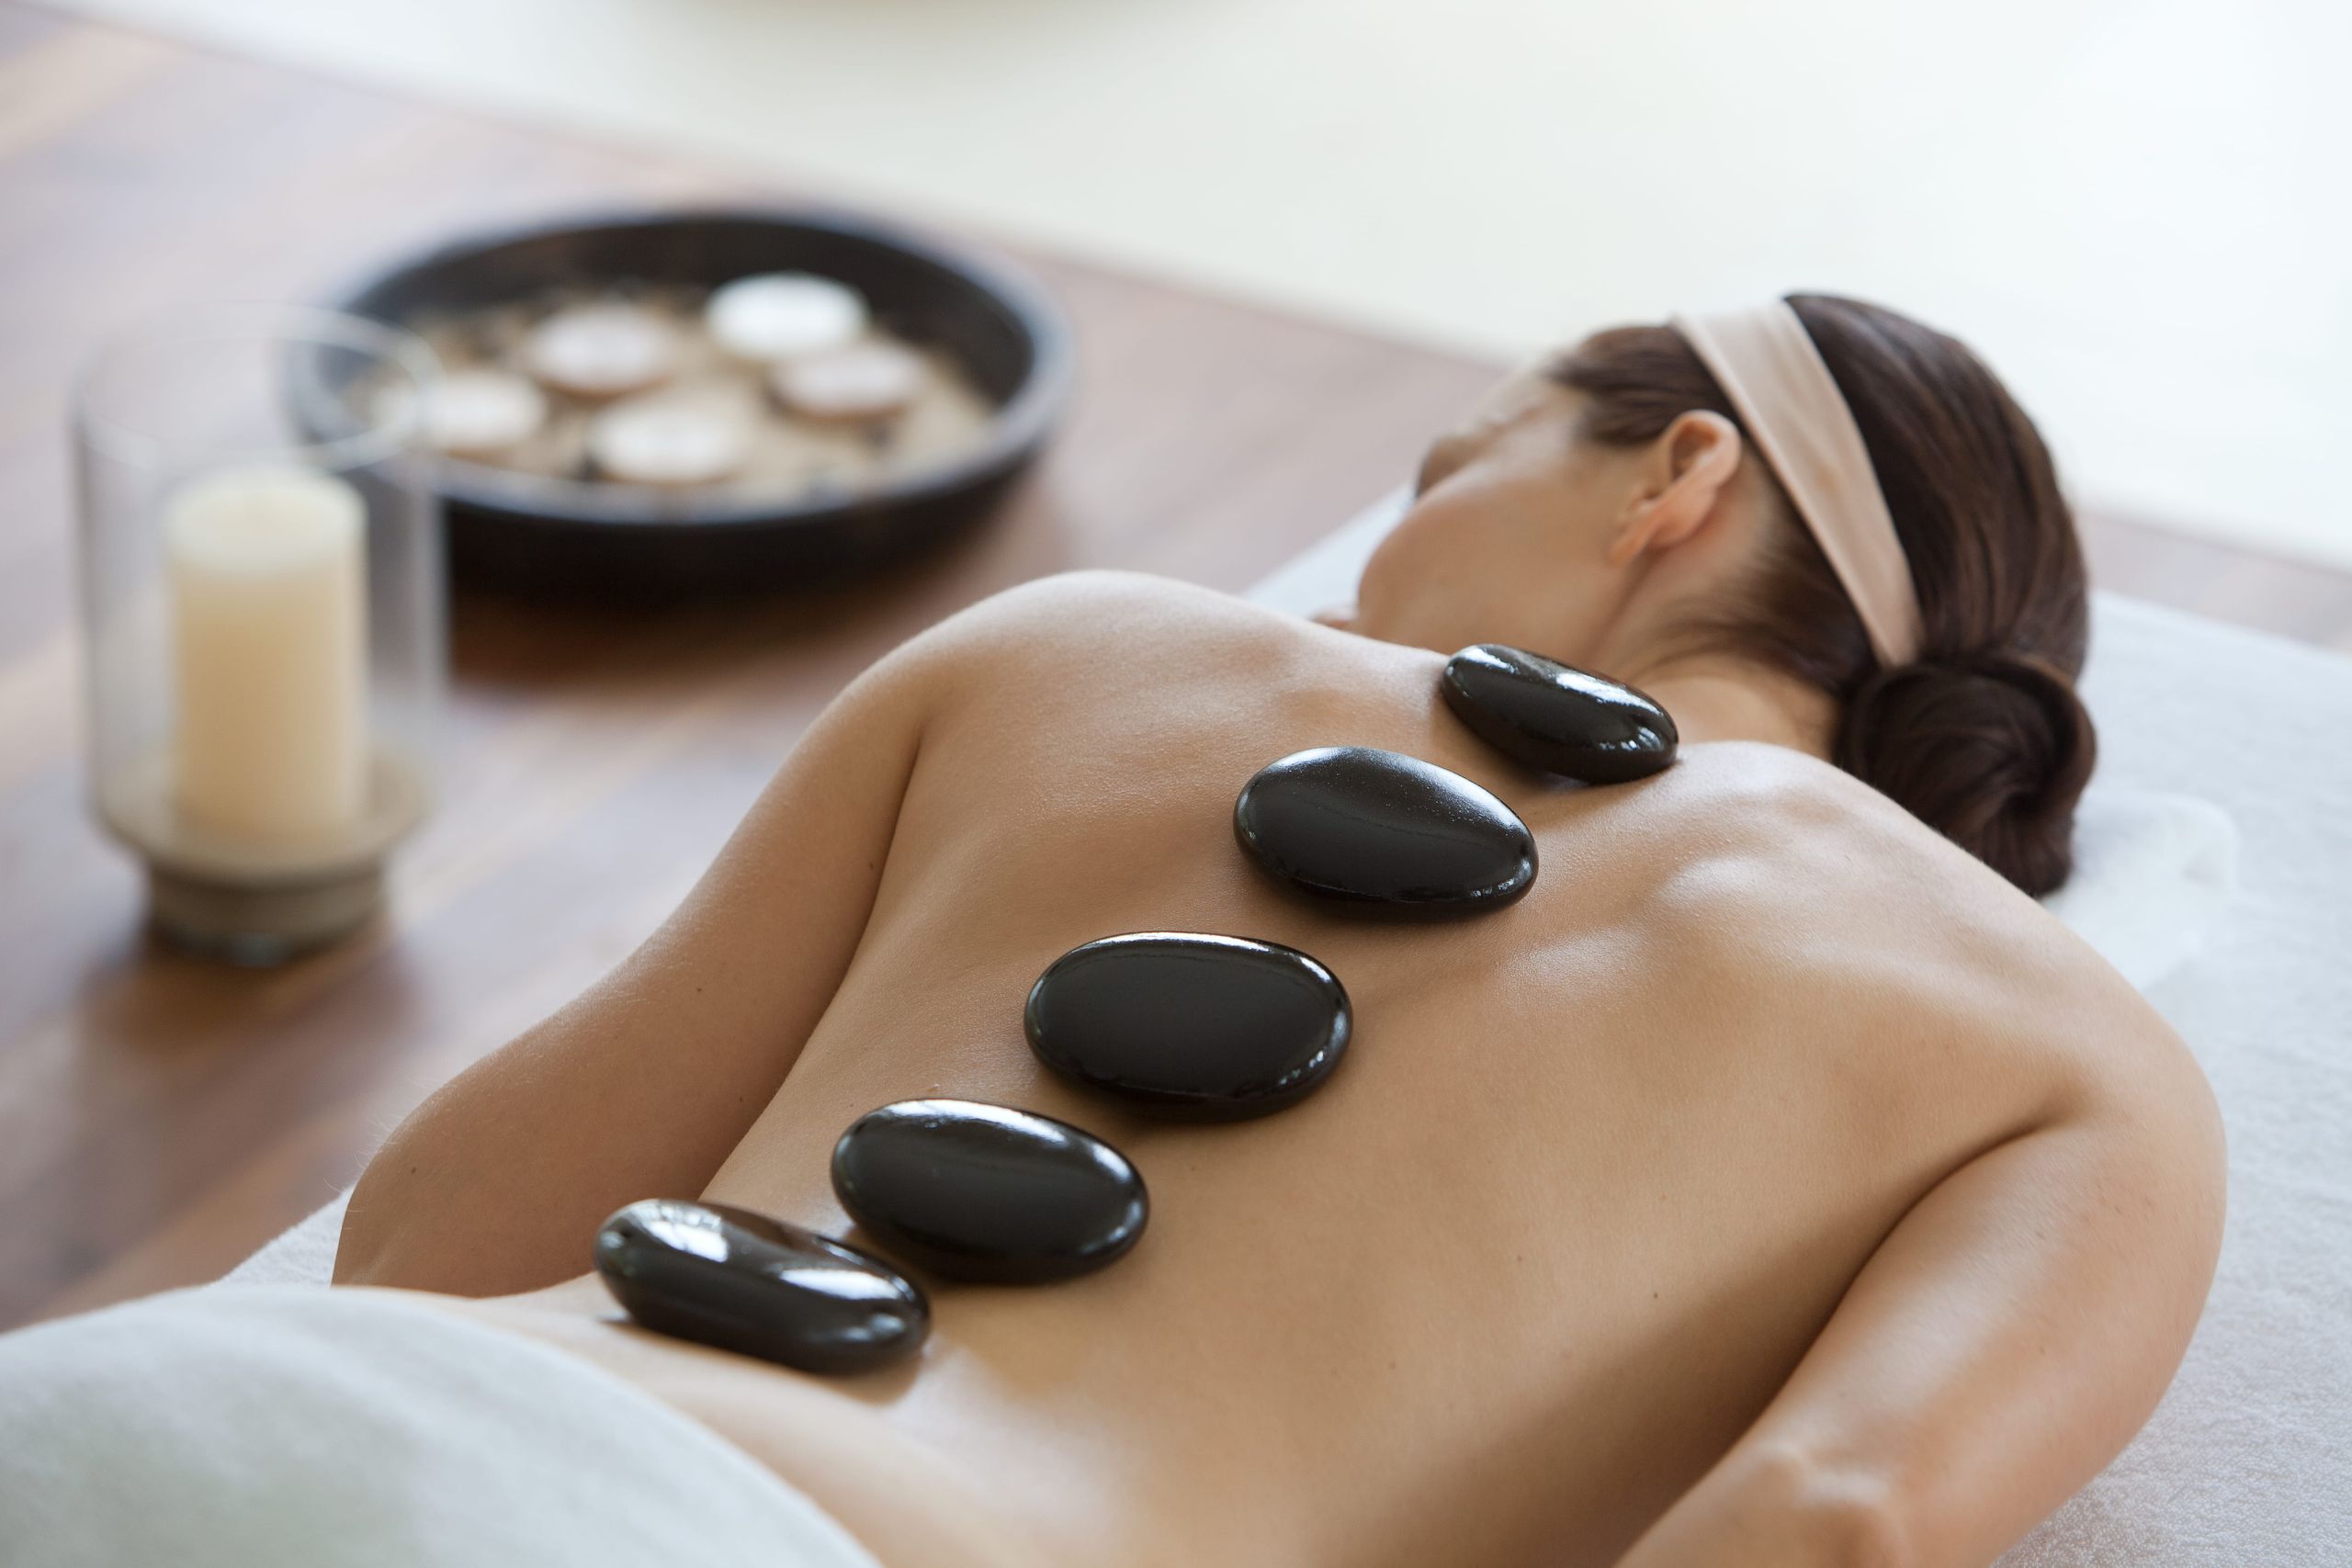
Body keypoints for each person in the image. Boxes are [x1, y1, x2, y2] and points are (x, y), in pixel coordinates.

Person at [12, 296, 2226, 1568]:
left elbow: (431, 1242)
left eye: (1453, 453)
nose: (1368, 572)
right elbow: (1821, 1527)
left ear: (1675, 475)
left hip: (219, 1419)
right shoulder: (2067, 1065)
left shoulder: (1077, 652)